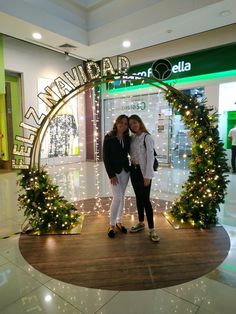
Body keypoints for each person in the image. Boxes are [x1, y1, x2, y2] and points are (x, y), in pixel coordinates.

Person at [128, 114, 160, 242]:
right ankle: (141, 222)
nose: (133, 126)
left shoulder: (147, 137)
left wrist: (147, 176)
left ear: (140, 123)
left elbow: (151, 158)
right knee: (138, 198)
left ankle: (152, 229)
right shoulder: (133, 138)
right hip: (134, 171)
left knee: (146, 200)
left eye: (135, 123)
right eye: (131, 124)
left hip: (144, 172)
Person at [103, 115, 130, 238]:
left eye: (125, 124)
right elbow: (106, 158)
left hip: (125, 171)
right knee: (117, 197)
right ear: (117, 123)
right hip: (114, 173)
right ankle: (112, 224)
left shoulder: (127, 137)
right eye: (121, 122)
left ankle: (120, 222)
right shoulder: (109, 137)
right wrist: (111, 175)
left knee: (122, 196)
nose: (123, 125)